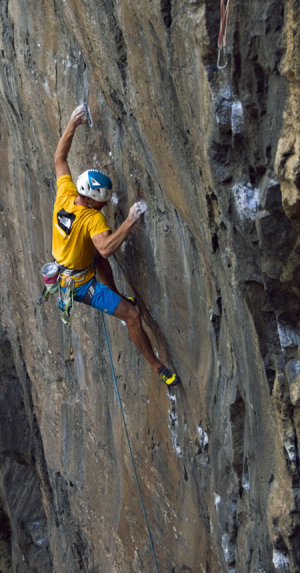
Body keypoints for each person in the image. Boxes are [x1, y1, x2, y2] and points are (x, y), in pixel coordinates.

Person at [51, 104, 178, 387]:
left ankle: (115, 291)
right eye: (104, 201)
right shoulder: (92, 219)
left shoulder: (66, 195)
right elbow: (107, 247)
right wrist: (130, 220)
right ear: (94, 200)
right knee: (132, 316)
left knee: (96, 256)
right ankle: (158, 367)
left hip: (67, 268)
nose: (106, 204)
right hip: (80, 286)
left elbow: (60, 159)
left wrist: (72, 123)